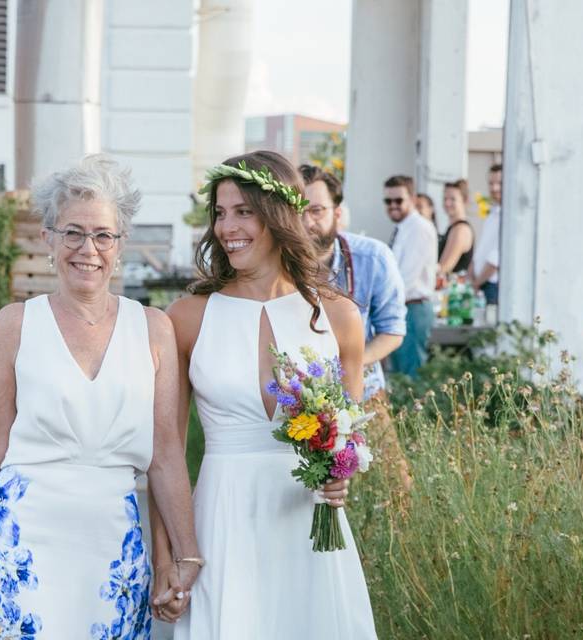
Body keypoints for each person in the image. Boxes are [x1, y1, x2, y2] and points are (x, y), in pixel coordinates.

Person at [0, 155, 201, 639]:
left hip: (111, 545)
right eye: (72, 232)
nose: (88, 249)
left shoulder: (154, 330)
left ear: (121, 246)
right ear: (48, 239)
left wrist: (184, 556)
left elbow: (166, 454)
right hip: (17, 541)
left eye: (103, 235)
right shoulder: (14, 324)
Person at [151, 151, 377, 638]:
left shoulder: (338, 316)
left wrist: (342, 474)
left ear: (279, 215)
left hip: (309, 524)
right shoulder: (188, 318)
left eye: (242, 211)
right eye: (219, 212)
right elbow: (164, 452)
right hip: (224, 518)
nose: (225, 226)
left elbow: (350, 435)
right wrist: (166, 556)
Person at [300, 164, 413, 492]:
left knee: (397, 487)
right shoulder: (275, 264)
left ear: (337, 213)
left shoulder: (373, 257)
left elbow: (393, 331)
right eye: (298, 212)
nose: (307, 222)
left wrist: (349, 364)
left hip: (364, 391)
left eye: (317, 211)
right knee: (309, 491)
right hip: (297, 400)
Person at [384, 175, 437, 377]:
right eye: (388, 201)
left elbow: (406, 278)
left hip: (414, 308)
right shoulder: (403, 227)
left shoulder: (419, 228)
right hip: (403, 307)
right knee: (399, 376)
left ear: (412, 199)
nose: (393, 205)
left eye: (399, 200)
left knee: (411, 378)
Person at [471, 163, 502, 304]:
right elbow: (482, 249)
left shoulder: (508, 217)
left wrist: (476, 283)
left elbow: (496, 258)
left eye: (499, 183)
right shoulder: (493, 213)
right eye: (491, 183)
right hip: (482, 284)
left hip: (492, 285)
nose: (494, 188)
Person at [437, 179, 475, 277]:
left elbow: (444, 268)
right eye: (445, 199)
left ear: (464, 200)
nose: (447, 203)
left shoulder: (460, 230)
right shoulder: (453, 228)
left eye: (453, 199)